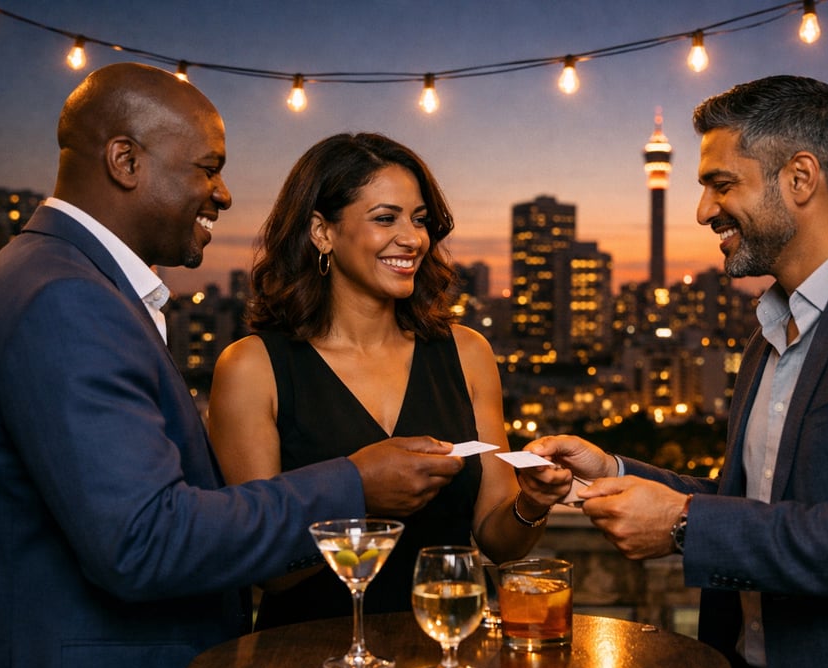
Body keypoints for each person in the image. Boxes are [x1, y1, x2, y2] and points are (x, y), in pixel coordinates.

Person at [0, 63, 469, 668]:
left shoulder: (49, 278)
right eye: (208, 168)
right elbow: (143, 539)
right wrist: (354, 486)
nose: (225, 194)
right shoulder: (66, 298)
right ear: (125, 161)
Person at [526, 75, 828, 668]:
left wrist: (684, 525)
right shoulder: (769, 328)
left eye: (721, 184)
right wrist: (613, 471)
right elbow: (754, 505)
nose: (704, 210)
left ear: (800, 177)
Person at [207, 132, 572, 628]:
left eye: (420, 220)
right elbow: (266, 568)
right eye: (386, 218)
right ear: (322, 231)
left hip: (447, 649)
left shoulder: (466, 353)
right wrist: (361, 493)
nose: (414, 238)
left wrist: (531, 504)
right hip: (306, 656)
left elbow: (496, 539)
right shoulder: (251, 368)